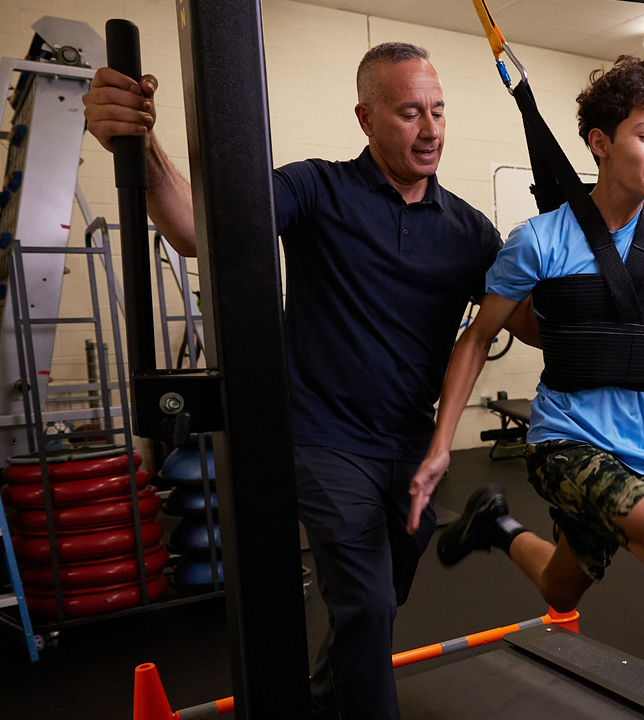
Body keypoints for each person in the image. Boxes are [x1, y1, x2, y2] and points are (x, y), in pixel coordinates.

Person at [83, 42, 537, 720]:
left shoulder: (470, 231)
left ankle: (325, 697)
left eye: (439, 111)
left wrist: (588, 260)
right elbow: (198, 230)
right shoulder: (317, 188)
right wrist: (142, 146)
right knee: (367, 599)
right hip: (324, 438)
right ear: (366, 118)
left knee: (380, 601)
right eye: (410, 112)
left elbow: (531, 325)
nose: (431, 128)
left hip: (412, 442)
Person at [408, 56, 644, 720]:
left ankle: (495, 525)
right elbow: (475, 341)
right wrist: (441, 446)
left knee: (564, 585)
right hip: (562, 442)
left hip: (636, 448)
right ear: (600, 143)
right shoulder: (541, 240)